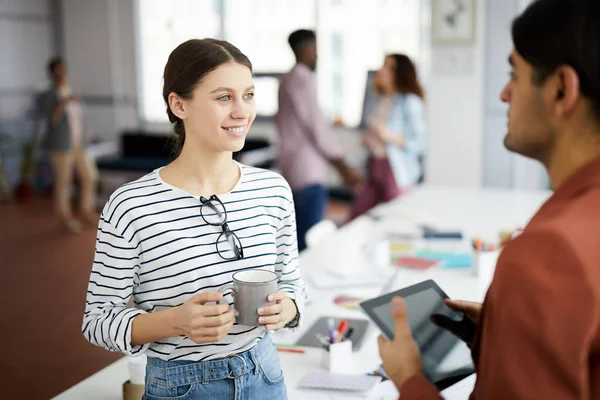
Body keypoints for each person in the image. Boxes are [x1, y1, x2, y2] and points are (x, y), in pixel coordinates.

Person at [377, 0, 600, 398]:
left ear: (562, 89)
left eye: (514, 74)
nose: (503, 94)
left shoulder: (549, 253)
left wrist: (410, 378)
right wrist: (502, 337)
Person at [82, 39, 307, 399]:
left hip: (265, 375)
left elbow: (294, 285)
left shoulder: (273, 190)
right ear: (178, 104)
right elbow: (97, 321)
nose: (242, 112)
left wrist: (289, 307)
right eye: (223, 98)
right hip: (180, 387)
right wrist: (175, 321)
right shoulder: (131, 205)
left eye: (248, 95)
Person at [276, 29, 362, 251]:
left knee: (298, 236)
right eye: (315, 50)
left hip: (294, 168)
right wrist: (344, 167)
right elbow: (317, 128)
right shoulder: (302, 79)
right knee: (308, 242)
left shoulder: (287, 80)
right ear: (305, 49)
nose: (318, 56)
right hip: (308, 174)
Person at [350, 54, 426, 219]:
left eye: (388, 67)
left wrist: (388, 136)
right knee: (358, 213)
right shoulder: (378, 100)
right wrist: (370, 139)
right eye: (383, 65)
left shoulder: (410, 102)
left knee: (395, 218)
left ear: (400, 73)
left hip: (396, 170)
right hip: (374, 166)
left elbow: (419, 144)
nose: (381, 71)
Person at [42, 57, 98, 233]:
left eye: (64, 70)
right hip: (60, 145)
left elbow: (79, 118)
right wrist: (64, 102)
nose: (62, 74)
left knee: (90, 176)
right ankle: (64, 216)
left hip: (78, 143)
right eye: (58, 71)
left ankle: (86, 209)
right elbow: (53, 119)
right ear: (52, 74)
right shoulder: (50, 95)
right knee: (64, 181)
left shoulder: (72, 91)